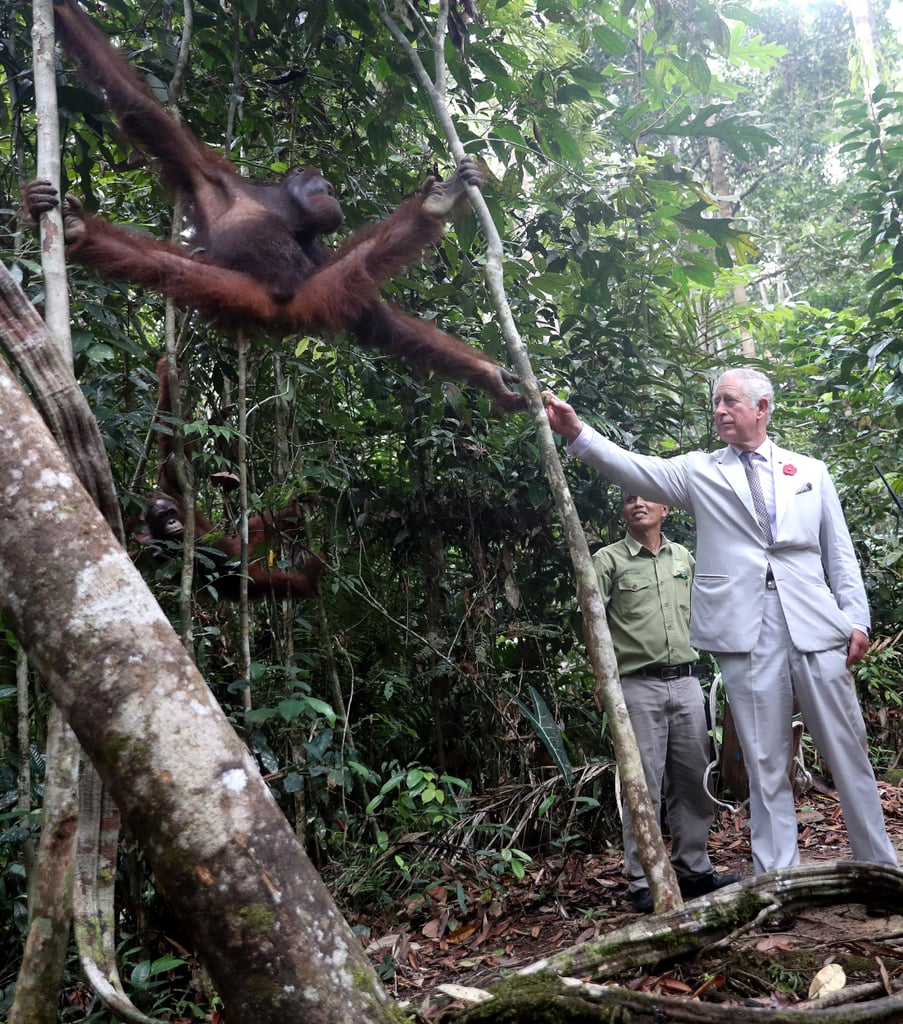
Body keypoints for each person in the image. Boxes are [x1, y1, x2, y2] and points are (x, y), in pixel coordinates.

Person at [546, 368, 897, 915]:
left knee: (847, 750)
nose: (720, 410)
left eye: (730, 401)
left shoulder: (809, 470)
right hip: (745, 631)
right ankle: (778, 890)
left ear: (762, 408)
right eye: (715, 402)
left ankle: (881, 876)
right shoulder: (700, 472)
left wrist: (857, 619)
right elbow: (638, 467)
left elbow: (840, 553)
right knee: (763, 760)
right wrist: (578, 433)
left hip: (816, 624)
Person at [595, 492, 739, 913]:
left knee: (695, 779)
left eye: (647, 498)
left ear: (666, 509)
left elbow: (707, 611)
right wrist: (605, 683)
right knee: (643, 786)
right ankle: (643, 879)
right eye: (627, 499)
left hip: (688, 683)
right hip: (637, 686)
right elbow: (593, 622)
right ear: (622, 512)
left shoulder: (684, 558)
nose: (637, 503)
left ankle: (693, 868)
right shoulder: (608, 560)